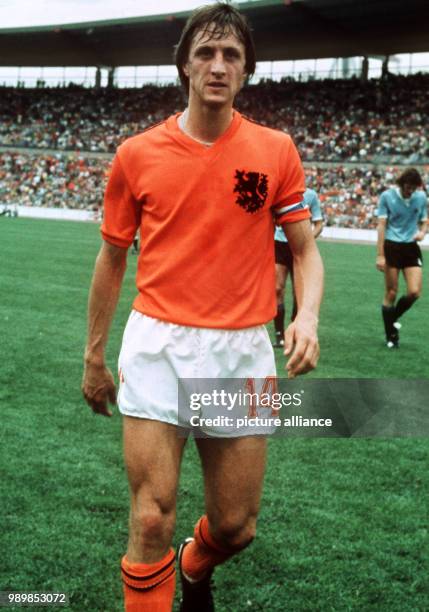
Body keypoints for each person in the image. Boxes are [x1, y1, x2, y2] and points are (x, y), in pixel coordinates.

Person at [82, 4, 323, 611]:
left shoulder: (277, 150)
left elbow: (305, 252)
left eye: (232, 56)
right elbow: (112, 258)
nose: (218, 66)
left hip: (241, 349)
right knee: (151, 517)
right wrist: (93, 355)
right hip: (157, 343)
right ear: (184, 65)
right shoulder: (137, 153)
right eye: (206, 53)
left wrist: (307, 315)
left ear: (246, 72)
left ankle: (196, 566)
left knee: (237, 527)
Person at [376, 168, 427, 348]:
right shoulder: (387, 197)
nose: (410, 191)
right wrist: (380, 254)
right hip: (392, 246)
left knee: (414, 292)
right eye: (407, 187)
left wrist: (422, 232)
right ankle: (391, 336)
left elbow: (424, 219)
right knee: (391, 292)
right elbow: (381, 225)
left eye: (413, 188)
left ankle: (392, 318)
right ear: (401, 184)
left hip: (411, 247)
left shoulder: (420, 197)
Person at [273, 187, 323, 348]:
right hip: (278, 245)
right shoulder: (277, 190)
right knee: (277, 288)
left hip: (297, 248)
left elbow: (318, 223)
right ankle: (279, 334)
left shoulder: (310, 195)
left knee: (298, 294)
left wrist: (307, 239)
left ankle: (295, 330)